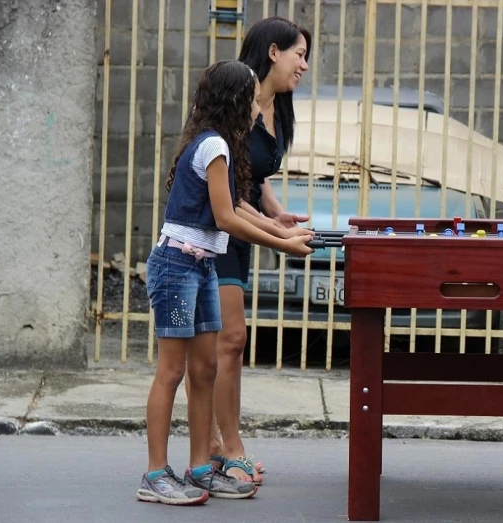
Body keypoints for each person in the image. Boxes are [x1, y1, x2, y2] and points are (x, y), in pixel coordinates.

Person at [137, 59, 314, 505]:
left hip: (202, 269)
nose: (259, 106)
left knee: (205, 368)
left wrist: (283, 230)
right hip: (177, 270)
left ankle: (201, 468)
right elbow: (226, 218)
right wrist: (283, 245)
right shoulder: (213, 145)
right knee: (173, 371)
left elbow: (239, 204)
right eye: (253, 98)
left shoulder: (221, 146)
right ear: (236, 101)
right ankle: (155, 474)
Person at [183, 16, 313, 486]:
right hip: (220, 229)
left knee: (231, 345)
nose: (304, 65)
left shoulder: (279, 106)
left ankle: (222, 445)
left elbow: (255, 177)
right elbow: (227, 190)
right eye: (299, 54)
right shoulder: (238, 98)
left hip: (245, 226)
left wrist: (275, 212)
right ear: (273, 51)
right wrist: (279, 238)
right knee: (227, 340)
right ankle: (224, 448)